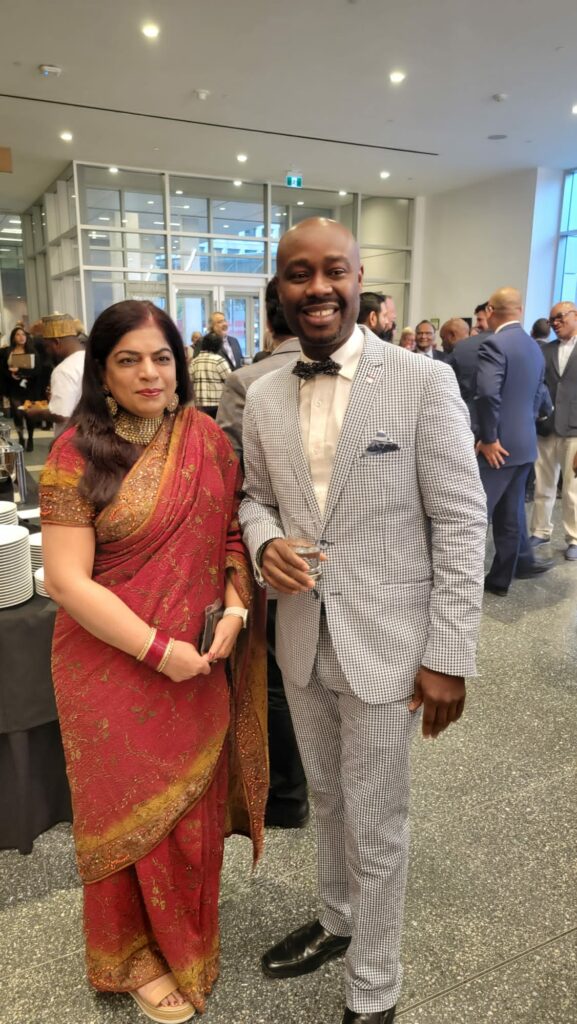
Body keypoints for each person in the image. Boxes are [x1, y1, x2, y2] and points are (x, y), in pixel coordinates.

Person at [239, 217, 487, 1024]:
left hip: (391, 643)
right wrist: (265, 540)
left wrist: (448, 653)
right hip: (302, 638)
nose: (317, 287)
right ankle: (338, 919)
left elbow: (461, 521)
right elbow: (253, 498)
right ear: (279, 288)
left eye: (333, 270)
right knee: (325, 794)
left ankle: (374, 987)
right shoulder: (262, 393)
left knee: (377, 821)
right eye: (298, 273)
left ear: (357, 280)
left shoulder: (420, 381)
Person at [39, 299, 267, 1023]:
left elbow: (230, 536)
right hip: (111, 666)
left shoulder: (207, 440)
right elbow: (64, 580)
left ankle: (188, 945)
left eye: (161, 358)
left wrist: (235, 612)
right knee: (127, 814)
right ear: (102, 373)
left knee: (190, 818)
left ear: (180, 365)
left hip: (198, 662)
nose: (149, 373)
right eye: (128, 360)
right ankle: (132, 958)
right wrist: (157, 650)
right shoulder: (75, 454)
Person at [217, 280, 308, 829]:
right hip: (342, 566)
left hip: (269, 554)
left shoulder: (246, 380)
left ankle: (288, 795)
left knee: (274, 676)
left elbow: (232, 478)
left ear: (269, 323)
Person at [476, 288, 554, 596]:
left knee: (475, 515)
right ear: (519, 310)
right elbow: (539, 393)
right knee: (510, 516)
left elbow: (487, 393)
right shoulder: (534, 346)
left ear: (490, 310)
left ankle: (463, 580)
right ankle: (500, 580)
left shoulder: (494, 343)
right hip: (524, 444)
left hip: (498, 448)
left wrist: (489, 437)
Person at [530, 301, 577, 560]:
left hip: (574, 430)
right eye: (551, 320)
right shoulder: (544, 350)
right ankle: (540, 531)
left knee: (572, 489)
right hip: (546, 427)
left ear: (575, 316)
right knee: (543, 484)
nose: (555, 323)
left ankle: (574, 538)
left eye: (560, 317)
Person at [36, 313, 86, 437]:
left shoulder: (64, 370)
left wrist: (36, 413)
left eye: (47, 347)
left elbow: (61, 415)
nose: (47, 352)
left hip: (73, 440)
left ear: (56, 342)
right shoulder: (90, 359)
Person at [0, 325, 43, 450]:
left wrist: (20, 371)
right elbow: (3, 369)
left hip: (29, 387)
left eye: (23, 334)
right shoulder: (8, 351)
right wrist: (11, 374)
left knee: (29, 414)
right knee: (17, 413)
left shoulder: (32, 351)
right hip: (14, 387)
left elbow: (37, 370)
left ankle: (30, 438)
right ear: (13, 337)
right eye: (18, 334)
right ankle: (20, 437)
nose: (21, 337)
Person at [189, 330, 232, 418]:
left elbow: (189, 381)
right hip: (217, 404)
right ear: (218, 346)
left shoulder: (194, 361)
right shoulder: (219, 360)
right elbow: (231, 380)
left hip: (199, 404)